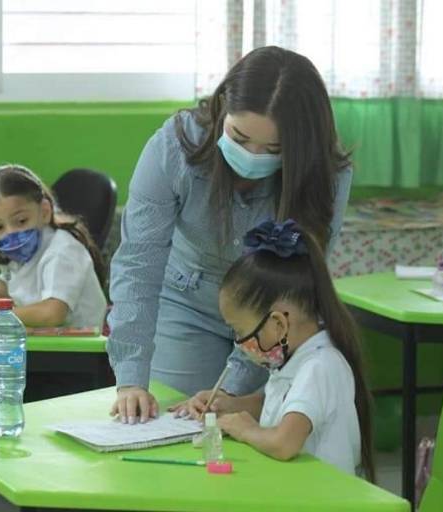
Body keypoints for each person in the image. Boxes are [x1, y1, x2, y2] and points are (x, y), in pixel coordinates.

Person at [107, 46, 353, 424]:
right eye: (238, 137)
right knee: (180, 426)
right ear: (221, 105)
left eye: (273, 149)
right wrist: (131, 379)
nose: (252, 156)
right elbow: (139, 262)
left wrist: (235, 384)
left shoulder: (326, 173)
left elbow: (297, 286)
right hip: (187, 302)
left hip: (273, 320)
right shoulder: (174, 147)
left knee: (251, 435)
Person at [175, 219, 374, 480]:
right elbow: (280, 403)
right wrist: (230, 405)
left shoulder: (319, 366)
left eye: (240, 331)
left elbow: (284, 443)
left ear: (278, 324)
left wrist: (244, 429)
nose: (238, 342)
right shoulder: (296, 359)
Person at [0, 164, 107, 328]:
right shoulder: (18, 252)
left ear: (44, 212)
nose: (10, 234)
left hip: (80, 349)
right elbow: (13, 279)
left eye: (21, 221)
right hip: (44, 343)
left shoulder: (63, 251)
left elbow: (52, 314)